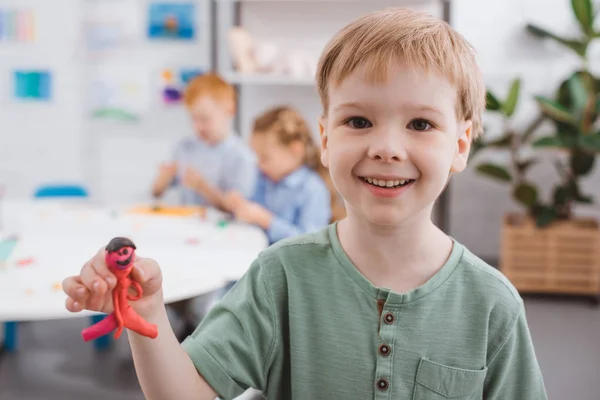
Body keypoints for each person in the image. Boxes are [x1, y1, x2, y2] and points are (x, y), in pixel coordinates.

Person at [62, 8, 548, 399]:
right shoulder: (280, 277)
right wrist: (147, 307)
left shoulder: (492, 304)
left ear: (460, 145)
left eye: (420, 124)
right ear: (325, 139)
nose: (386, 147)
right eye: (358, 121)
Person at [223, 106, 337, 245]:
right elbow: (253, 212)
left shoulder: (313, 189)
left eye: (265, 157)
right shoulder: (264, 177)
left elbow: (312, 245)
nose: (259, 164)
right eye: (257, 156)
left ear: (296, 150)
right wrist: (240, 205)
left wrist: (268, 222)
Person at [150, 72, 256, 210]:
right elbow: (156, 193)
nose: (198, 126)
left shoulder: (242, 157)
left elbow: (239, 208)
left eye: (205, 119)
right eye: (193, 119)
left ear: (230, 110)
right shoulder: (185, 148)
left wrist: (203, 188)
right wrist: (163, 179)